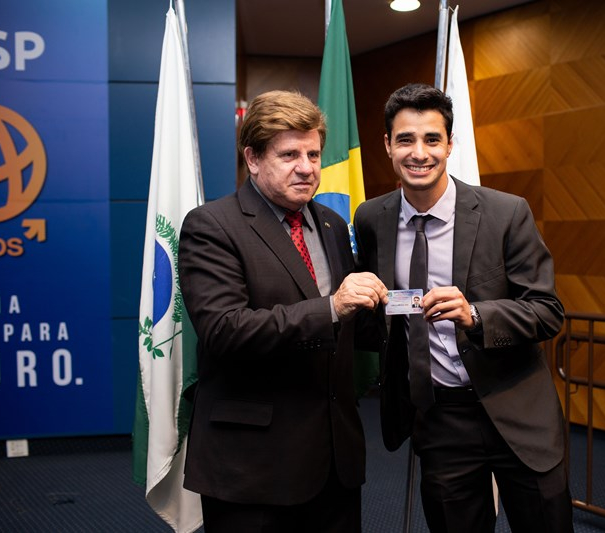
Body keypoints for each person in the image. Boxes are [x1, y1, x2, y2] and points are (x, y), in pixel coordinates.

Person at [354, 83, 573, 533]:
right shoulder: (371, 218)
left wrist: (476, 315)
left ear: (450, 145)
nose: (419, 153)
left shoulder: (506, 213)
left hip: (518, 410)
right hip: (440, 420)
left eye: (432, 139)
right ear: (388, 145)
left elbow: (547, 310)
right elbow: (377, 318)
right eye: (406, 140)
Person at [178, 90, 388, 532]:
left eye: (313, 154)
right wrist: (332, 307)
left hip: (335, 463)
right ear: (252, 158)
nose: (307, 167)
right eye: (290, 154)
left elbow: (350, 329)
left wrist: (408, 308)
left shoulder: (332, 225)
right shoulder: (212, 226)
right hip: (253, 467)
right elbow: (224, 330)